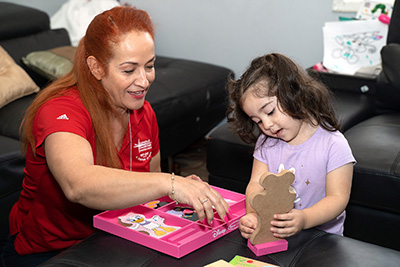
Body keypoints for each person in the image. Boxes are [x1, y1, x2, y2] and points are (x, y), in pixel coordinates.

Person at [1, 6, 229, 266]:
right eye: (129, 70)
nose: (144, 81)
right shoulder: (59, 111)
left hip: (117, 237)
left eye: (150, 66)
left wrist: (182, 190)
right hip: (50, 252)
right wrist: (171, 183)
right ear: (96, 68)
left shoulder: (144, 113)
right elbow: (79, 184)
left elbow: (151, 185)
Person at [226, 53, 355, 241]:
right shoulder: (267, 142)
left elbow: (338, 199)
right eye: (258, 121)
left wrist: (304, 219)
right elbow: (255, 184)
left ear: (294, 93)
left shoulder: (334, 145)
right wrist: (254, 214)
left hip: (321, 238)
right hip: (274, 233)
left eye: (270, 112)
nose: (267, 125)